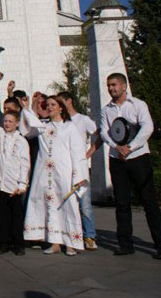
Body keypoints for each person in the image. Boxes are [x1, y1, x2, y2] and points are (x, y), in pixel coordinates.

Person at [99, 73, 161, 260]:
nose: (111, 88)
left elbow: (147, 127)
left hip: (138, 157)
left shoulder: (138, 105)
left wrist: (130, 147)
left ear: (124, 86)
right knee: (122, 203)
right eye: (109, 85)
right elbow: (104, 132)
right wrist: (117, 147)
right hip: (117, 159)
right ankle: (125, 244)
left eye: (114, 84)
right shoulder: (106, 110)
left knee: (149, 201)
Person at [23, 94, 88, 256]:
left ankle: (71, 243)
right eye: (48, 105)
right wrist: (26, 108)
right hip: (45, 174)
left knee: (68, 205)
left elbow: (78, 152)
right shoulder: (44, 127)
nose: (49, 107)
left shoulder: (69, 127)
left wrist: (79, 175)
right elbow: (27, 128)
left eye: (53, 104)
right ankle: (55, 242)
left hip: (64, 173)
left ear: (61, 108)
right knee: (50, 205)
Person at [0, 103, 30, 256]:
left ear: (17, 123)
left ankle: (18, 243)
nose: (7, 124)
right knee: (1, 216)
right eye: (5, 121)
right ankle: (3, 242)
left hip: (14, 184)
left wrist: (22, 184)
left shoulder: (21, 141)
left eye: (10, 121)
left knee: (16, 215)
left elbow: (25, 163)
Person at [58, 90, 99, 251]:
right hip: (64, 168)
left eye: (61, 102)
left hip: (80, 168)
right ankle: (69, 235)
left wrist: (89, 152)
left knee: (85, 204)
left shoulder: (83, 120)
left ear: (69, 101)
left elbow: (100, 134)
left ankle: (89, 235)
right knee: (67, 203)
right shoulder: (61, 122)